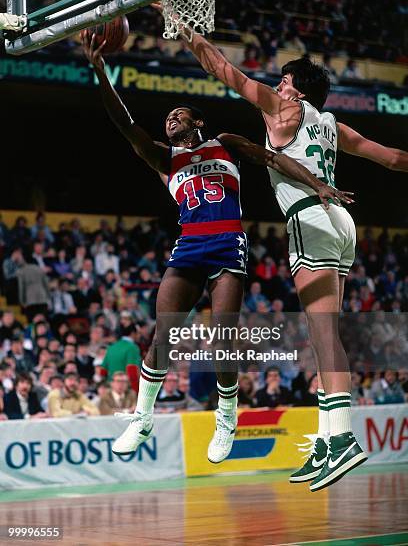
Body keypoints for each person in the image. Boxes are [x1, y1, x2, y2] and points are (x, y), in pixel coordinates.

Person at [83, 32, 352, 463]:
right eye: (168, 116)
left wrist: (317, 183)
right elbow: (123, 122)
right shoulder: (162, 158)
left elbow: (272, 159)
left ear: (197, 122)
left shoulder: (224, 142)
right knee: (163, 335)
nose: (170, 119)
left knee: (222, 337)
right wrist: (99, 70)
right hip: (189, 245)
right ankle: (142, 416)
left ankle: (227, 416)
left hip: (228, 241)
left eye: (179, 114)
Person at [174, 19, 408, 490]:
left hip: (311, 215)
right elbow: (393, 158)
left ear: (296, 93)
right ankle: (326, 440)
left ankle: (342, 440)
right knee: (325, 336)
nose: (277, 84)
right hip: (342, 224)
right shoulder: (333, 126)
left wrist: (186, 32)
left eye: (284, 80)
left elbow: (225, 71)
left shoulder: (284, 109)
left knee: (324, 337)